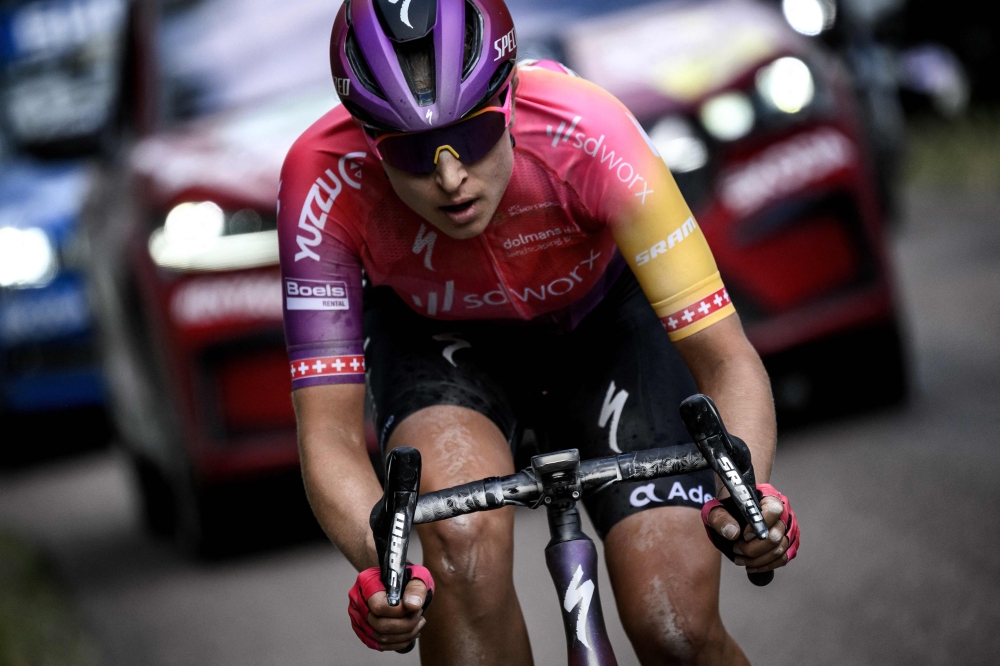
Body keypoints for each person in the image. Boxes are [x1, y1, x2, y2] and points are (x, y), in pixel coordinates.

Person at [278, 0, 800, 662]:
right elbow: (326, 433)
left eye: (470, 135)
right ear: (367, 137)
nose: (448, 177)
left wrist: (746, 498)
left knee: (674, 628)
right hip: (440, 346)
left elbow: (725, 358)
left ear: (510, 94)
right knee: (459, 543)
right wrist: (385, 565)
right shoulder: (321, 175)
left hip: (605, 327)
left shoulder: (589, 129)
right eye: (409, 151)